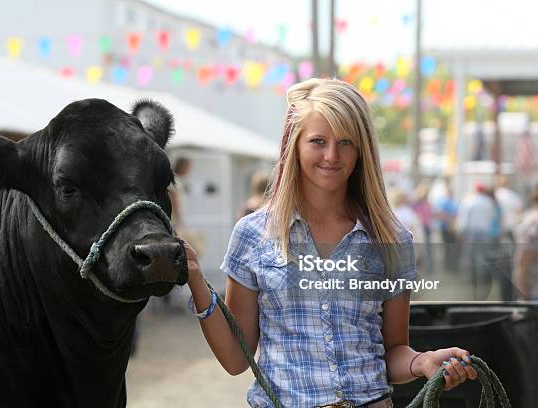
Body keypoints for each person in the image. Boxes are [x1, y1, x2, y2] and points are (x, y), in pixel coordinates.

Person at [183, 78, 477, 407]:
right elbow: (237, 360)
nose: (332, 156)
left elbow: (392, 351)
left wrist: (420, 362)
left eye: (346, 142)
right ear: (295, 145)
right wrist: (197, 281)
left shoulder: (392, 238)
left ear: (362, 148)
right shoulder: (253, 234)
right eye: (318, 141)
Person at [513, 181, 538, 300]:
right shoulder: (533, 222)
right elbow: (524, 263)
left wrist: (522, 299)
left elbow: (523, 264)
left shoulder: (532, 221)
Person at [434, 183, 458, 272]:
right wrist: (450, 218)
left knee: (451, 247)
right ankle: (447, 265)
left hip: (452, 228)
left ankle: (451, 265)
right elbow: (439, 214)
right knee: (447, 247)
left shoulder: (453, 202)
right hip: (445, 227)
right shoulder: (442, 201)